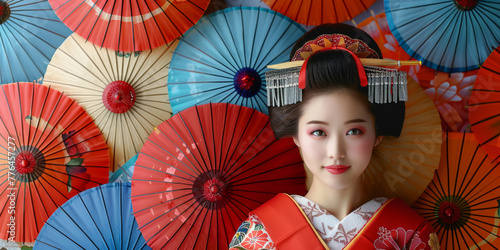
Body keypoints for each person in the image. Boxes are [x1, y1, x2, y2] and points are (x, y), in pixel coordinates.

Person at [228, 24, 439, 250]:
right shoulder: (259, 234)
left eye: (354, 131)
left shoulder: (410, 234)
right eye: (318, 132)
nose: (336, 151)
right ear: (296, 135)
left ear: (377, 133)